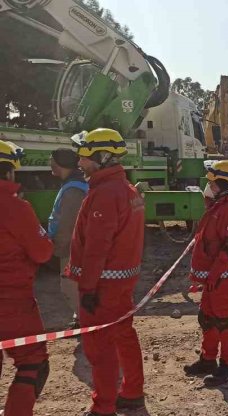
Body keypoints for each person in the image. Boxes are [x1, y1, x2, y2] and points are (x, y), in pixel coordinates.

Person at [68, 128, 146, 415]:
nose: (79, 162)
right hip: (120, 283)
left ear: (102, 157)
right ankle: (133, 392)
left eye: (84, 156)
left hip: (102, 286)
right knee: (124, 335)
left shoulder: (105, 194)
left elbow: (96, 248)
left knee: (100, 349)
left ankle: (103, 407)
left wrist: (87, 289)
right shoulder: (124, 189)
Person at [183, 160, 228, 387]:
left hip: (223, 276)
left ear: (226, 184)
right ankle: (208, 359)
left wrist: (215, 274)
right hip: (213, 276)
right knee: (207, 318)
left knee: (222, 321)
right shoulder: (220, 206)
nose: (208, 186)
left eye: (212, 182)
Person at [0, 140, 54, 416]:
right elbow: (43, 252)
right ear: (9, 172)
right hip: (12, 303)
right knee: (33, 363)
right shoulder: (17, 209)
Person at [48, 147, 88, 328]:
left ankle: (84, 320)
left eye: (52, 160)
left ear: (60, 164)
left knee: (69, 287)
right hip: (74, 247)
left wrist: (59, 249)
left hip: (71, 249)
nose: (50, 163)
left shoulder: (73, 190)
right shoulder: (73, 185)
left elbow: (69, 224)